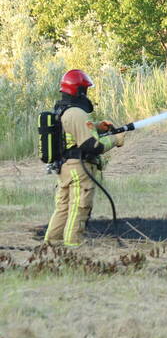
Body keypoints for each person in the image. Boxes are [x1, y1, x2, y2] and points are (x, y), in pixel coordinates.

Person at [44, 69, 127, 247]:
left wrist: (97, 126)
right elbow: (92, 146)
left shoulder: (63, 110)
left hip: (65, 167)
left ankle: (52, 243)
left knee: (64, 207)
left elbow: (74, 134)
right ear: (79, 91)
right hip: (78, 169)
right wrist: (115, 140)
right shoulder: (77, 113)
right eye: (85, 89)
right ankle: (74, 245)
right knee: (79, 206)